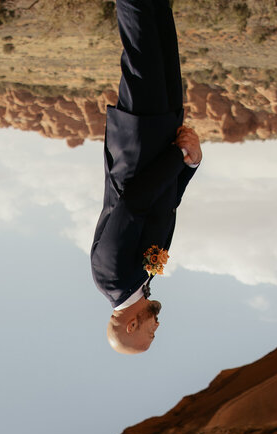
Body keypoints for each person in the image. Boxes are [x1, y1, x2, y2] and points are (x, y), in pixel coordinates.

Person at [91, 0, 202, 354]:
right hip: (162, 134)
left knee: (140, 34)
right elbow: (164, 204)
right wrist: (190, 165)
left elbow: (134, 203)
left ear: (131, 324)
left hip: (141, 138)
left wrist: (175, 157)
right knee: (159, 25)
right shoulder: (142, 278)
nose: (157, 328)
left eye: (150, 334)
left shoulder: (111, 277)